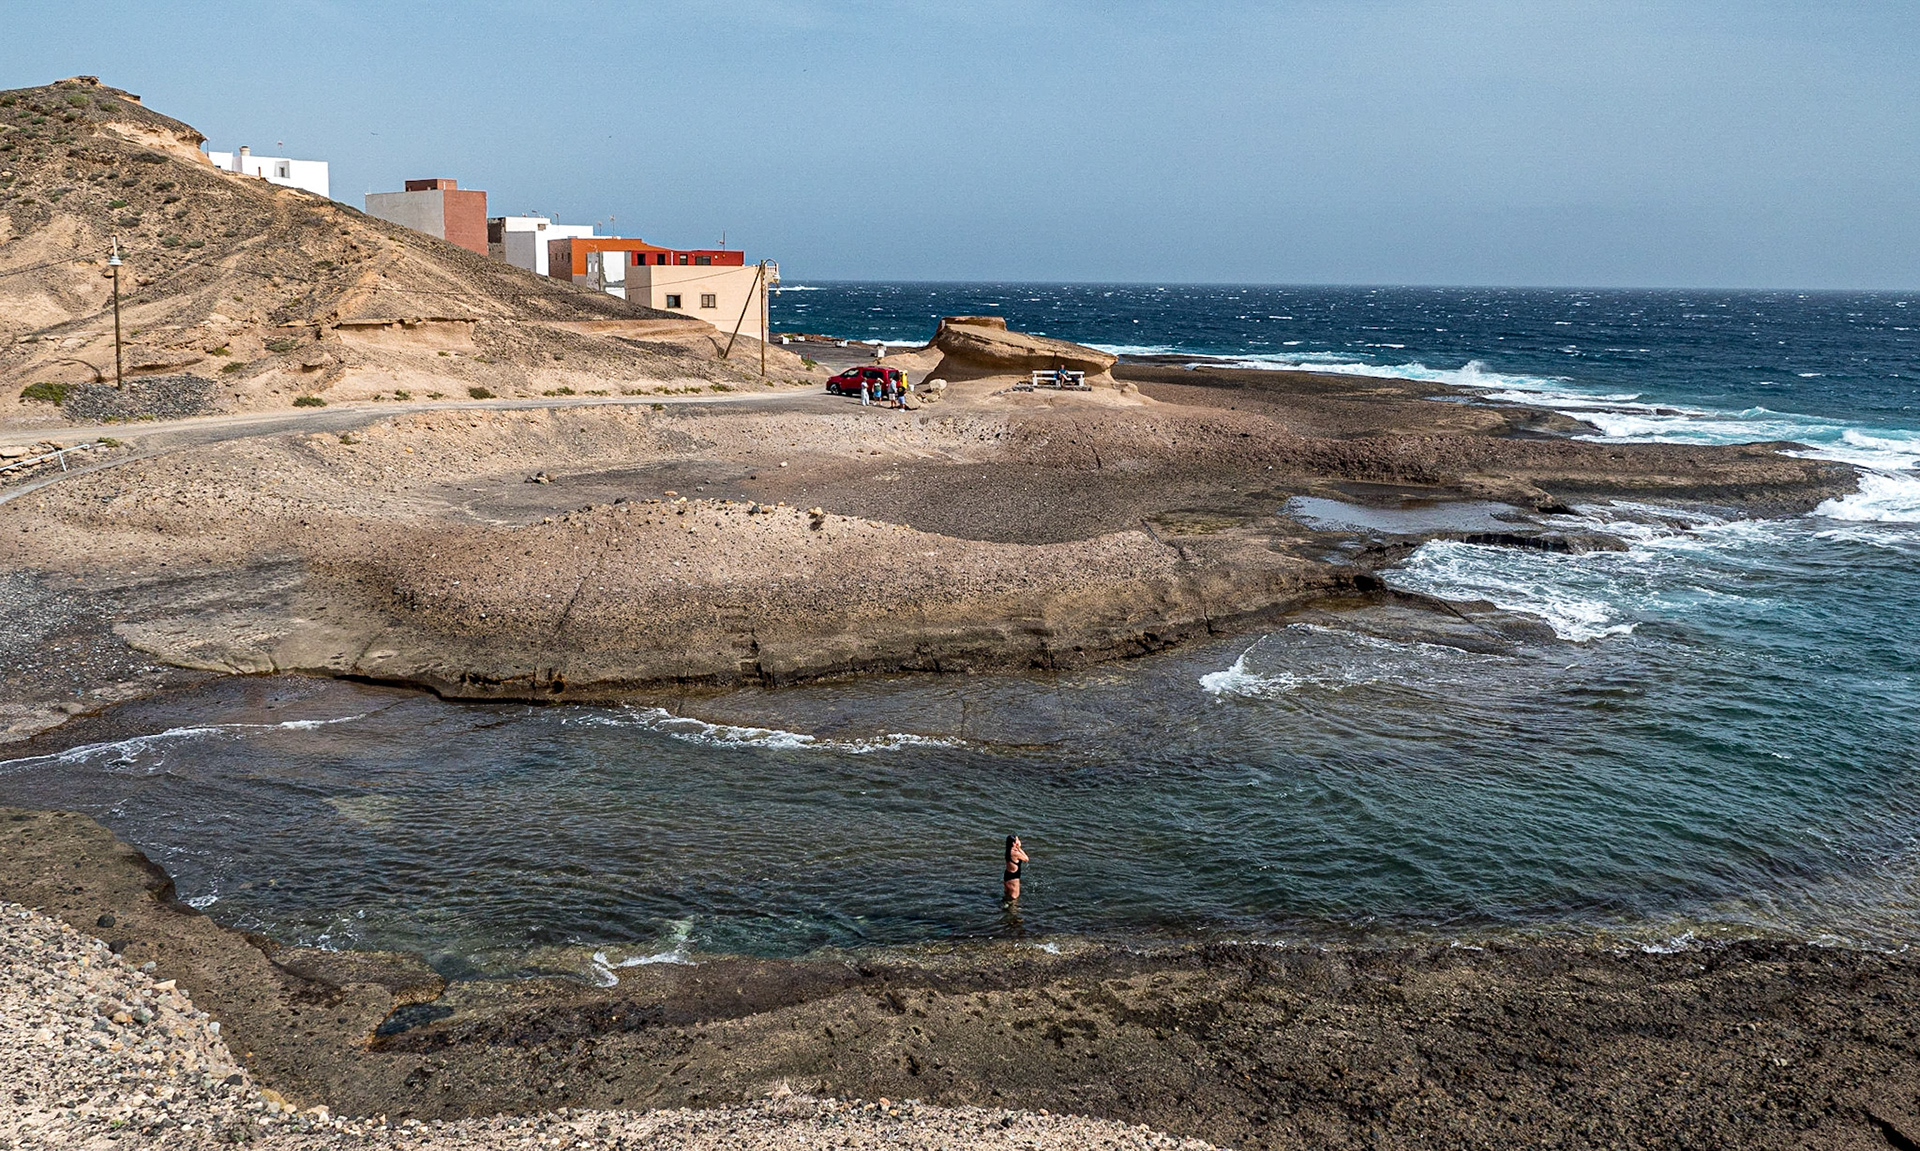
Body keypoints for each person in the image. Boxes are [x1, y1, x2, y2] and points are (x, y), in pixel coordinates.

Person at [1002, 835, 1029, 901]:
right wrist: (1019, 848)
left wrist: (1017, 847)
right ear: (1014, 843)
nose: (1019, 841)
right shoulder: (1015, 853)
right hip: (1013, 878)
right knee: (1014, 898)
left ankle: (1004, 908)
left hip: (1007, 875)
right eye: (1018, 840)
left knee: (1007, 895)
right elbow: (1026, 859)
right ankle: (1012, 910)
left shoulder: (1009, 850)